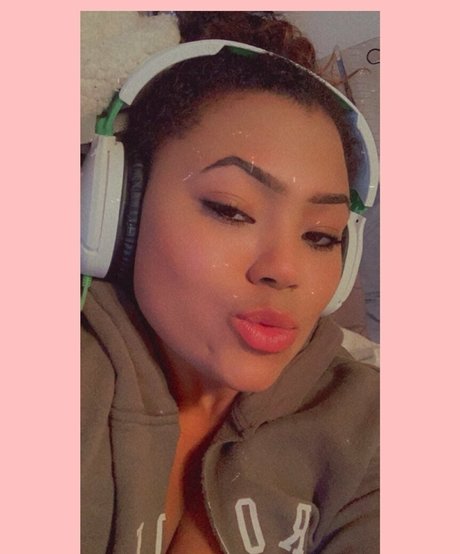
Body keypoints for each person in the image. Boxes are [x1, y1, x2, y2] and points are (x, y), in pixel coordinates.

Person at [81, 12, 379, 554]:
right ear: (119, 208)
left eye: (320, 236)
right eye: (230, 209)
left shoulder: (371, 425)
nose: (284, 269)